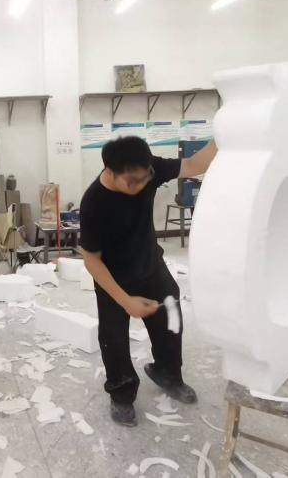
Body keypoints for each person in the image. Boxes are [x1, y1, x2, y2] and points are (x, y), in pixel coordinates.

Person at [80, 135, 217, 427]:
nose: (142, 185)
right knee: (114, 338)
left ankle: (167, 372)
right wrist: (125, 301)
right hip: (114, 277)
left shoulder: (147, 169)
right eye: (133, 181)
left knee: (171, 315)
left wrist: (226, 130)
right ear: (110, 172)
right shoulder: (94, 203)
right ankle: (122, 393)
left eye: (146, 178)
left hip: (150, 264)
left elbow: (193, 165)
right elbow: (91, 260)